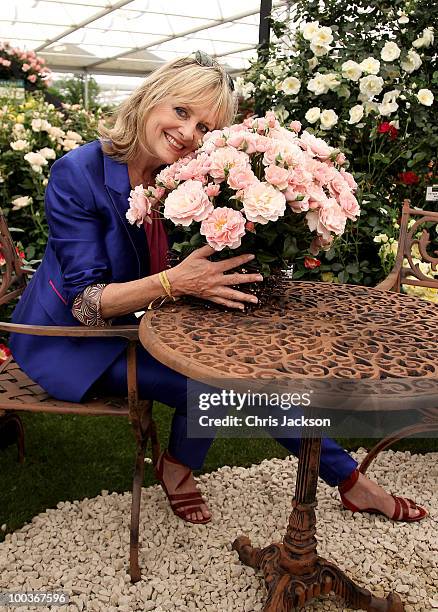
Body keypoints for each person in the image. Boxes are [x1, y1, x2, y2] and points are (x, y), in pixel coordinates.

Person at [10, 53, 427, 525]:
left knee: (241, 358)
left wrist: (280, 224)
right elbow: (88, 303)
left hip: (144, 319)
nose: (189, 134)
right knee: (229, 388)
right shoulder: (78, 173)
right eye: (181, 111)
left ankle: (182, 464)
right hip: (73, 339)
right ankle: (350, 482)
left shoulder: (190, 176)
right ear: (149, 100)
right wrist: (175, 281)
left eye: (206, 128)